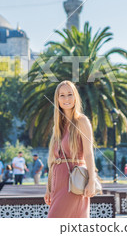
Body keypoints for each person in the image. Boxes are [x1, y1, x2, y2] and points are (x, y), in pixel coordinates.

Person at [45, 80, 97, 218]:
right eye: (62, 95)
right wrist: (49, 188)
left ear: (75, 97)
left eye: (69, 94)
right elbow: (53, 161)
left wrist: (92, 181)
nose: (66, 98)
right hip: (58, 183)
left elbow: (88, 153)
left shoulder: (82, 121)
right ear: (57, 99)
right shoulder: (58, 126)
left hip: (74, 182)